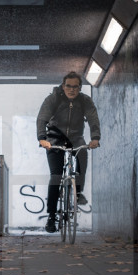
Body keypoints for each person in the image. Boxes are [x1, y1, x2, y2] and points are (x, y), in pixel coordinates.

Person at [36, 72, 101, 233]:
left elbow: (93, 119)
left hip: (75, 138)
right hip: (54, 139)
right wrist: (42, 138)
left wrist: (95, 138)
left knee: (83, 155)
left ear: (80, 87)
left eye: (75, 87)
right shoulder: (53, 99)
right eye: (68, 86)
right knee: (56, 176)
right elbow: (42, 118)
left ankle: (77, 192)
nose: (72, 90)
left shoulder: (85, 101)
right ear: (63, 86)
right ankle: (51, 216)